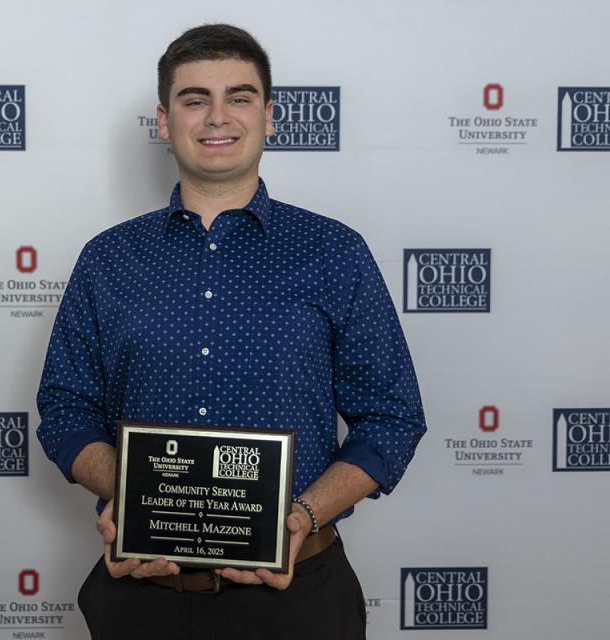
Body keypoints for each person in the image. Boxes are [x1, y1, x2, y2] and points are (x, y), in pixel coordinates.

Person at [36, 23, 426, 640]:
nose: (217, 117)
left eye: (239, 97)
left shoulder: (333, 252)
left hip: (298, 598)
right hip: (142, 594)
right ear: (164, 122)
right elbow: (64, 408)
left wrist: (302, 515)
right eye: (195, 100)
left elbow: (392, 418)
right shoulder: (108, 260)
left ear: (269, 116)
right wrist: (131, 497)